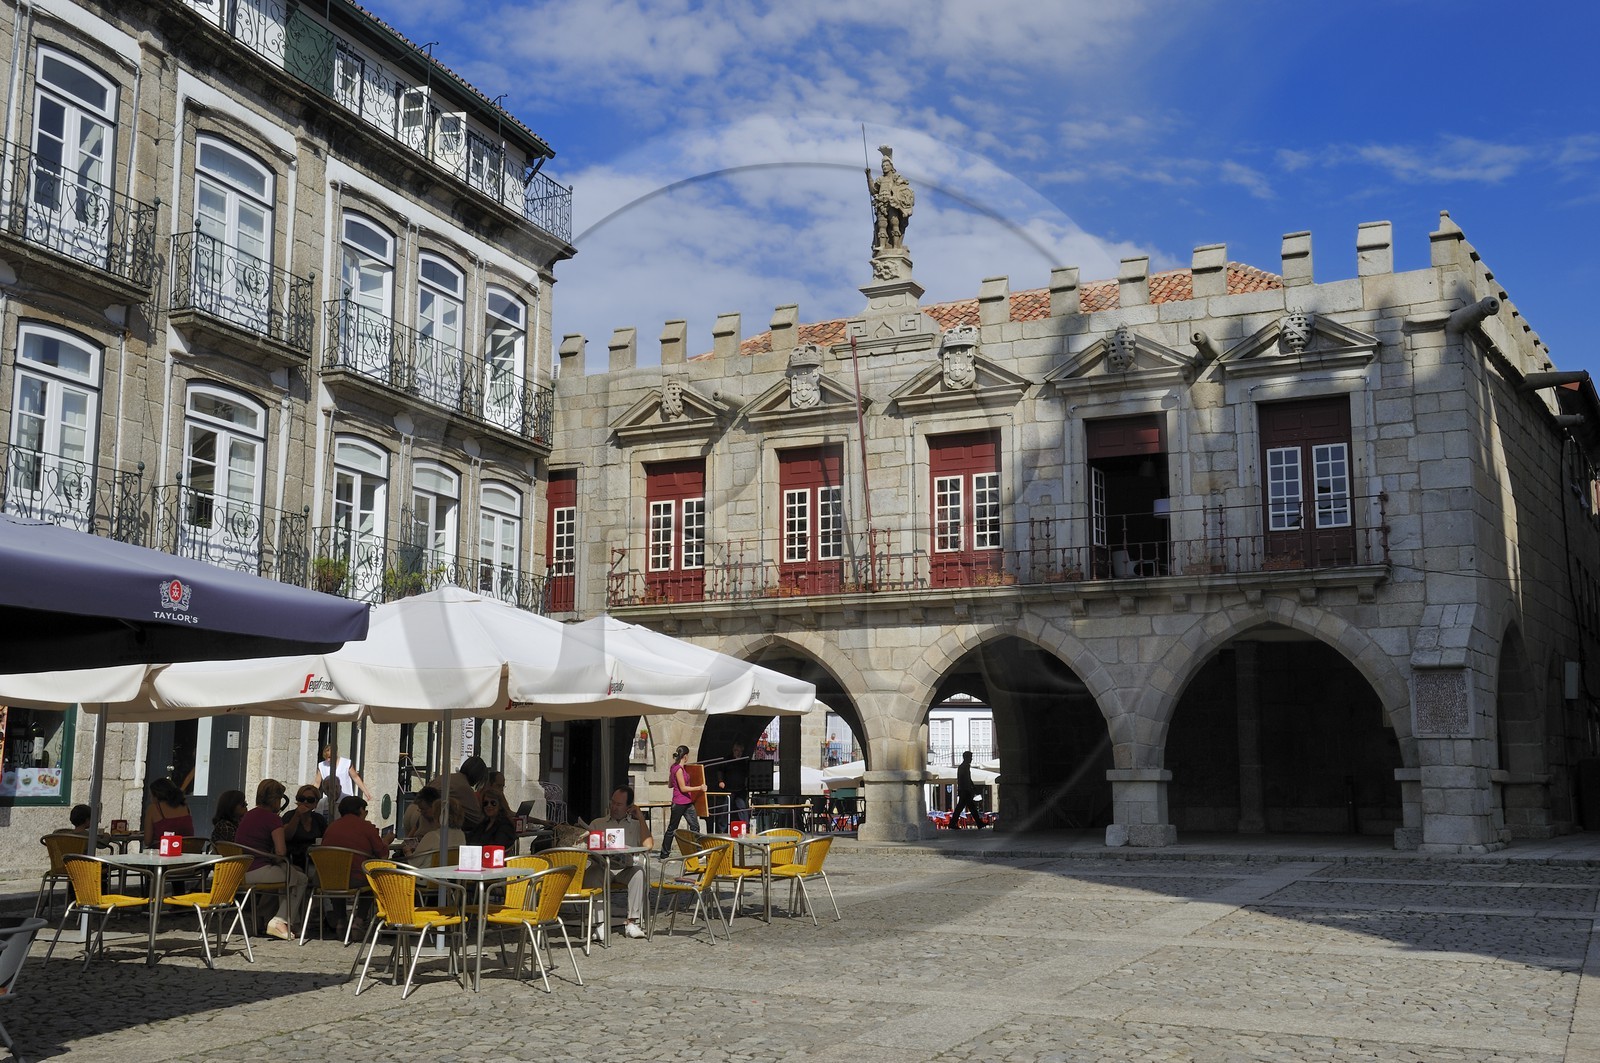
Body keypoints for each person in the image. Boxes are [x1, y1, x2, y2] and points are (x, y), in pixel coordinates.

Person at [235, 778, 309, 940]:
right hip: (258, 868)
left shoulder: (248, 815)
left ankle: (267, 917)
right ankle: (280, 920)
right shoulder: (272, 818)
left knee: (287, 874)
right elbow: (281, 851)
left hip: (240, 870)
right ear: (276, 799)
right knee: (300, 878)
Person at [582, 786, 654, 939]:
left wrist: (640, 818)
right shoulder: (598, 823)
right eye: (612, 803)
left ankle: (632, 922)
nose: (614, 807)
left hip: (624, 870)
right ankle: (600, 924)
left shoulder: (635, 826)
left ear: (629, 807)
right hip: (603, 868)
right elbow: (587, 850)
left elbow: (648, 846)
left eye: (619, 804)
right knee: (592, 874)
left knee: (639, 872)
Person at [320, 794, 392, 934]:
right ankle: (359, 921)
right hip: (355, 880)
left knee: (337, 878)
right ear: (360, 809)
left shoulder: (331, 827)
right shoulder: (366, 827)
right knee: (373, 881)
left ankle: (341, 921)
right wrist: (386, 841)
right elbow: (383, 855)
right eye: (365, 810)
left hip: (327, 879)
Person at [659, 745, 705, 858]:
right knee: (672, 829)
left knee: (695, 826)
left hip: (687, 802)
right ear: (685, 756)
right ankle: (664, 854)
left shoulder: (674, 767)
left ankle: (698, 853)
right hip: (679, 802)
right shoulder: (678, 769)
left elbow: (670, 785)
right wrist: (699, 788)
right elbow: (683, 788)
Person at [866, 144, 914, 250]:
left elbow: (903, 190)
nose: (884, 167)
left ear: (891, 166)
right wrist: (869, 177)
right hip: (881, 204)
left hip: (893, 203)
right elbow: (873, 190)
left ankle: (896, 246)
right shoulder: (880, 179)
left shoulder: (896, 177)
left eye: (886, 165)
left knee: (894, 224)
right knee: (882, 225)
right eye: (883, 165)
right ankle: (882, 246)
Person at [427, 754, 488, 832]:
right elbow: (477, 819)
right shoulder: (464, 787)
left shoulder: (445, 777)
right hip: (434, 823)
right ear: (478, 776)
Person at [281, 784, 327, 868]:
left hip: (314, 860)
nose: (305, 802)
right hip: (293, 860)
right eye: (301, 799)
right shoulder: (289, 816)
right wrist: (297, 815)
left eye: (310, 800)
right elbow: (286, 836)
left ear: (316, 803)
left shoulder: (319, 819)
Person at [143, 777, 193, 848]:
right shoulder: (185, 806)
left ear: (156, 795)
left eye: (151, 795)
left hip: (164, 852)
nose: (150, 799)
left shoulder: (153, 809)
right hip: (188, 851)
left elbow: (147, 841)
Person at [716, 740, 750, 830]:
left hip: (740, 789)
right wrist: (720, 781)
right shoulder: (727, 760)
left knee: (742, 807)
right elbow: (720, 770)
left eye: (740, 751)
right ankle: (722, 829)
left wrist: (746, 784)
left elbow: (747, 774)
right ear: (733, 750)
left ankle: (745, 828)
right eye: (736, 751)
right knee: (725, 808)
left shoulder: (744, 761)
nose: (738, 753)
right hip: (728, 789)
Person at [953, 750, 985, 830]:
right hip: (965, 791)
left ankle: (979, 823)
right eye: (970, 757)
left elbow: (968, 779)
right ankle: (979, 823)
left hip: (965, 790)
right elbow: (963, 779)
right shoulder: (963, 767)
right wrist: (968, 789)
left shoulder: (965, 766)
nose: (971, 759)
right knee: (966, 808)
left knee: (966, 807)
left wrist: (972, 786)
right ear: (966, 758)